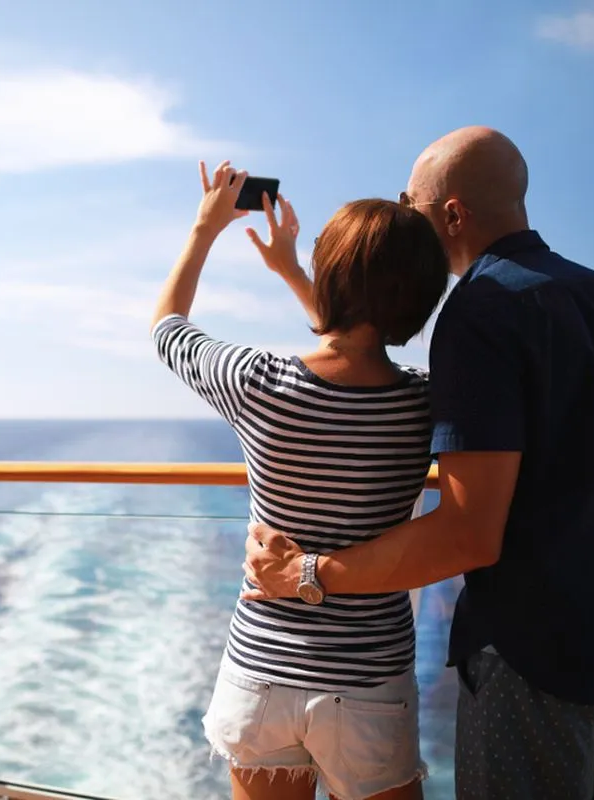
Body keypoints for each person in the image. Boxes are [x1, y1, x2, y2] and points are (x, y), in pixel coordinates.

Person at [241, 127, 594, 800]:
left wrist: (307, 572)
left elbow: (467, 535)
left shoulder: (481, 313)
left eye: (409, 202)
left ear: (451, 214)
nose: (403, 217)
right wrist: (587, 439)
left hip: (536, 652)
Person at [151, 160, 449, 800]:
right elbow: (363, 337)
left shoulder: (259, 381)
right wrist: (294, 273)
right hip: (368, 683)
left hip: (260, 669)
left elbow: (167, 327)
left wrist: (206, 230)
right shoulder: (426, 404)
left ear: (332, 278)